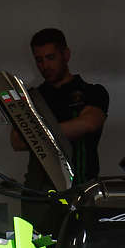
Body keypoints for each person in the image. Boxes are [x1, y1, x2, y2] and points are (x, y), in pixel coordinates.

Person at [28, 28, 109, 185]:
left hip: (82, 187)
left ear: (66, 55)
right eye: (39, 60)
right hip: (39, 193)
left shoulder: (92, 92)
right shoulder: (32, 97)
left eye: (50, 57)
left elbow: (90, 123)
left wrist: (36, 132)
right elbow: (17, 140)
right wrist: (71, 128)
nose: (45, 65)